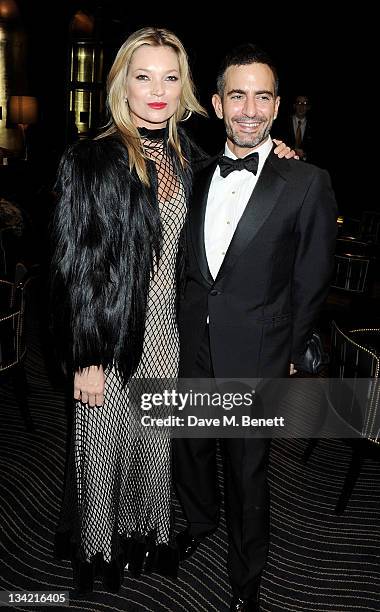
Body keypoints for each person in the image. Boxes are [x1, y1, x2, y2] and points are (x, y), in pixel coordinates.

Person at [51, 27, 295, 596]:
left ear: (184, 85)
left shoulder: (190, 159)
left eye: (170, 77)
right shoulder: (90, 159)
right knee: (106, 446)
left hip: (169, 332)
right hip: (111, 337)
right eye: (144, 77)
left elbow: (242, 201)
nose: (158, 91)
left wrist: (276, 154)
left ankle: (141, 541)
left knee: (154, 446)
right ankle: (99, 554)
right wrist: (85, 355)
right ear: (122, 85)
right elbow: (74, 270)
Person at [173, 44, 337, 611]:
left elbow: (312, 276)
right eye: (237, 95)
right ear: (217, 104)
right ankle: (197, 525)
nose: (249, 108)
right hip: (190, 345)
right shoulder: (191, 174)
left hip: (259, 352)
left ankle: (248, 576)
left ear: (275, 104)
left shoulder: (306, 181)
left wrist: (292, 351)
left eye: (262, 95)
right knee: (190, 450)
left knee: (248, 473)